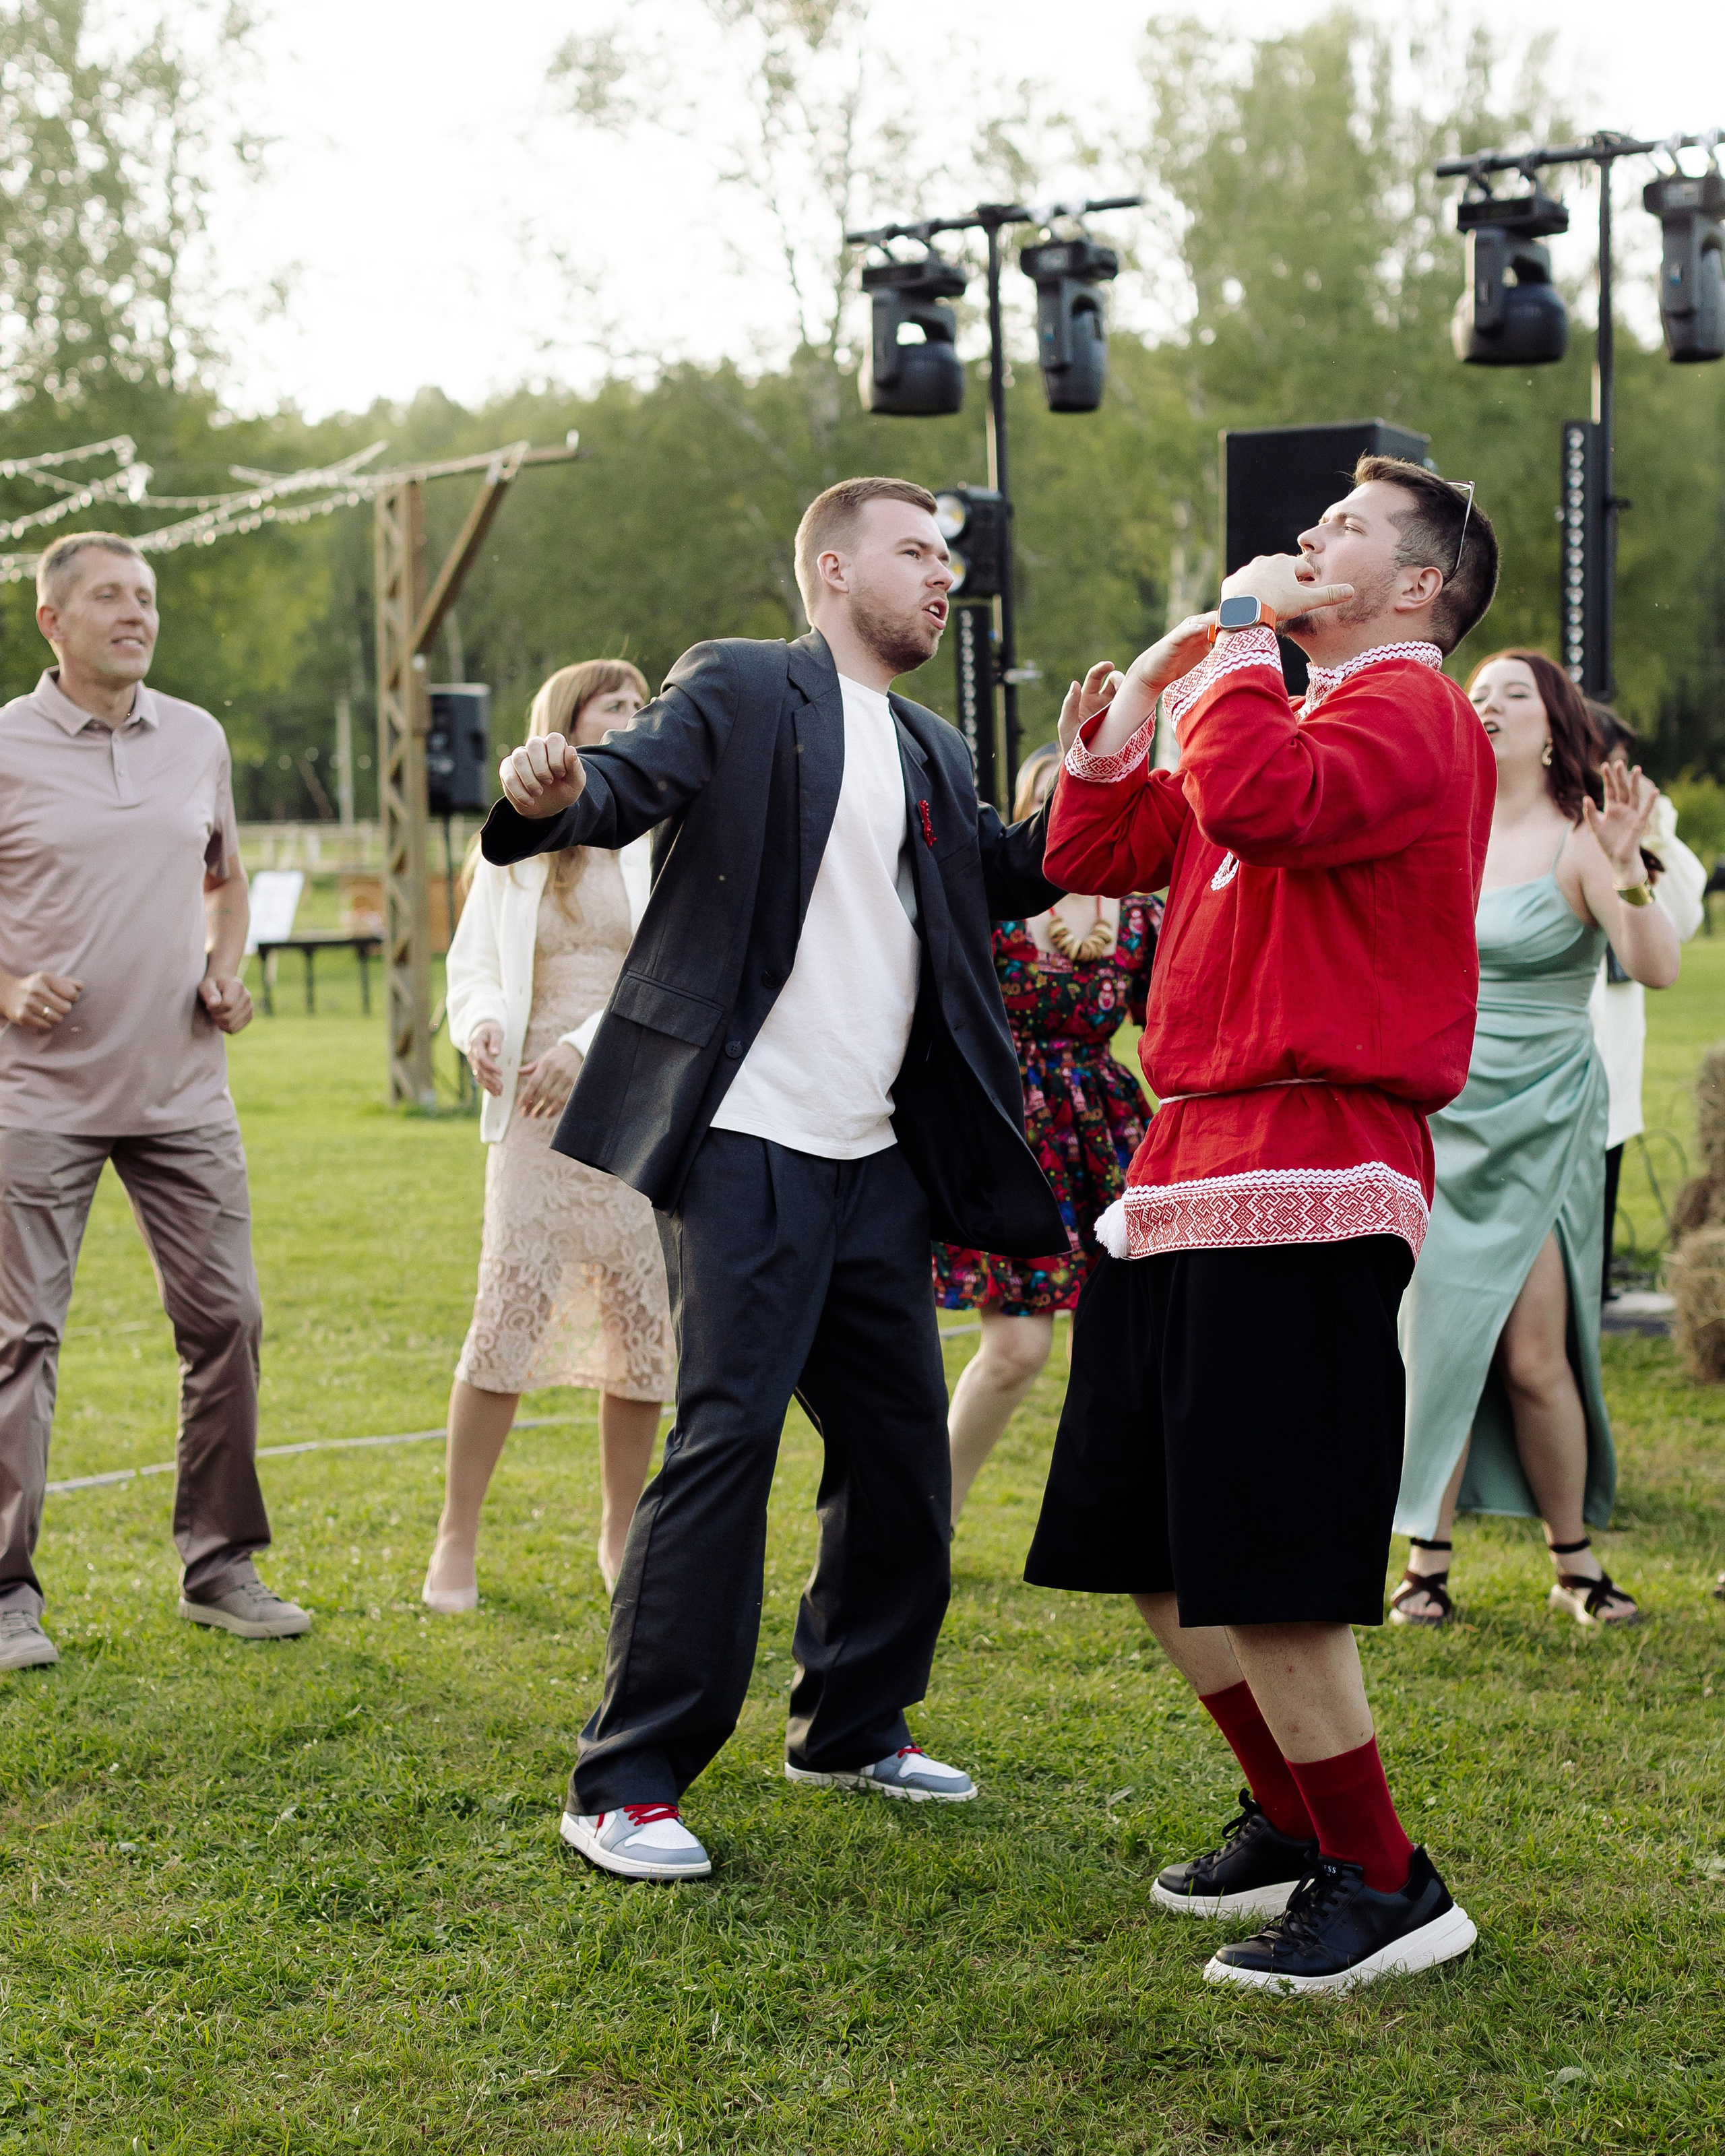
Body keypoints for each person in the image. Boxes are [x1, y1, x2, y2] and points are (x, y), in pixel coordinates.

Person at [484, 476, 1065, 1882]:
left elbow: (1001, 875)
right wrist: (556, 795)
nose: (942, 577)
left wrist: (1095, 772)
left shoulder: (930, 743)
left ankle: (848, 1726)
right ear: (827, 572)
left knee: (898, 1458)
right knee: (728, 1439)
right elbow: (628, 783)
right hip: (746, 1136)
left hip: (877, 1159)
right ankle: (622, 1782)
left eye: (947, 558)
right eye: (913, 553)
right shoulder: (741, 689)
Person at [1024, 455, 1498, 1993]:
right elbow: (1089, 858)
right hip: (1182, 1169)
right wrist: (1103, 745)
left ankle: (1383, 1879)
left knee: (1263, 1545)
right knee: (1152, 1542)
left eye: (1345, 532)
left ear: (1414, 588)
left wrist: (1230, 637)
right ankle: (1301, 1821)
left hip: (1305, 1159)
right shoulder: (1281, 713)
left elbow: (1253, 801)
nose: (1306, 541)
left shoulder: (1410, 709)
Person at [0, 531, 311, 1674]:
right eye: (111, 599)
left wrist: (227, 967)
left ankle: (220, 1565)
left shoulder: (197, 738)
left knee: (228, 1321)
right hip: (37, 1097)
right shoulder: (6, 747)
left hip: (184, 1091)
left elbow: (223, 883)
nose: (137, 614)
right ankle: (4, 1596)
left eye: (147, 597)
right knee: (20, 1339)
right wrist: (10, 986)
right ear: (53, 621)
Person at [1392, 654, 1679, 1632]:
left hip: (1544, 1116)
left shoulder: (1584, 835)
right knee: (1432, 1343)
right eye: (1477, 696)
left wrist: (1631, 867)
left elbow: (1657, 967)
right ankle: (1424, 1561)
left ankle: (1574, 1561)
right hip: (1440, 1112)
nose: (1489, 706)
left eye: (1514, 693)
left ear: (1554, 723)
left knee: (1532, 1356)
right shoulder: (1439, 830)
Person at [426, 661, 672, 1612]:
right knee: (505, 1316)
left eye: (642, 707)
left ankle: (619, 1532)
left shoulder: (662, 836)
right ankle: (456, 1539)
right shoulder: (519, 839)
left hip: (637, 1100)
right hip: (531, 1108)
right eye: (617, 706)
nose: (636, 718)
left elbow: (668, 975)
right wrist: (482, 1023)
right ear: (564, 725)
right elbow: (477, 962)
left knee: (642, 1327)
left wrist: (586, 1044)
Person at [935, 742, 1159, 1521]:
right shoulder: (991, 901)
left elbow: (1174, 1022)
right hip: (1010, 1130)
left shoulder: (1139, 911)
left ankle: (1126, 1519)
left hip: (1109, 1135)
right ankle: (932, 1513)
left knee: (1130, 1344)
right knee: (1015, 1350)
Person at [1586, 706, 1705, 1300]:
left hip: (1617, 1024)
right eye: (1611, 756)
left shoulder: (1634, 834)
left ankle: (1598, 1278)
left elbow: (1683, 920)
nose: (1621, 770)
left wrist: (1657, 835)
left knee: (1608, 1150)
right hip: (1557, 1030)